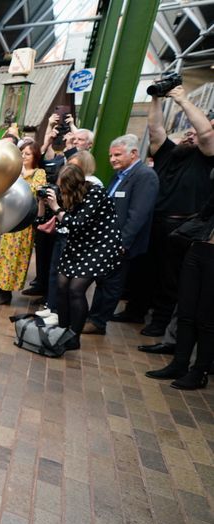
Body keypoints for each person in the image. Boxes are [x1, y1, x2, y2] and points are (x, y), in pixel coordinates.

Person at [119, 86, 214, 334]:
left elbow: (205, 132)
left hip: (181, 226)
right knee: (143, 270)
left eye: (194, 133)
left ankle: (160, 322)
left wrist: (182, 99)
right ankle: (134, 311)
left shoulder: (206, 157)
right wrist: (155, 98)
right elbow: (155, 130)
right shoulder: (169, 153)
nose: (191, 135)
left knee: (169, 278)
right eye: (187, 132)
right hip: (154, 222)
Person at [83, 134, 159, 335]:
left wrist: (122, 243)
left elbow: (138, 215)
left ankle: (98, 322)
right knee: (102, 280)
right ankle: (94, 316)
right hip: (105, 240)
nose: (112, 159)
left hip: (119, 243)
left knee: (112, 284)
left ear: (134, 153)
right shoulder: (119, 175)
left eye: (117, 155)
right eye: (110, 156)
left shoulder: (145, 176)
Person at [41, 164, 122, 350]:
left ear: (74, 185)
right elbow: (43, 222)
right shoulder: (69, 195)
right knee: (62, 285)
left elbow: (76, 223)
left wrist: (56, 207)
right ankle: (62, 330)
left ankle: (74, 337)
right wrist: (43, 204)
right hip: (78, 243)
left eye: (63, 187)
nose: (61, 191)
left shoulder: (96, 193)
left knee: (76, 289)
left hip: (99, 246)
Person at [144, 195, 214, 389]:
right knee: (185, 311)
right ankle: (179, 364)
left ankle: (199, 372)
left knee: (206, 318)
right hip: (200, 244)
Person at [0, 139, 44, 304]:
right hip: (6, 219)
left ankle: (6, 293)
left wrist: (22, 178)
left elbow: (34, 193)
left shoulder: (38, 173)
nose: (23, 156)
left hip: (22, 223)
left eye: (27, 154)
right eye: (21, 154)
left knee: (13, 259)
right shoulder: (13, 171)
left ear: (35, 156)